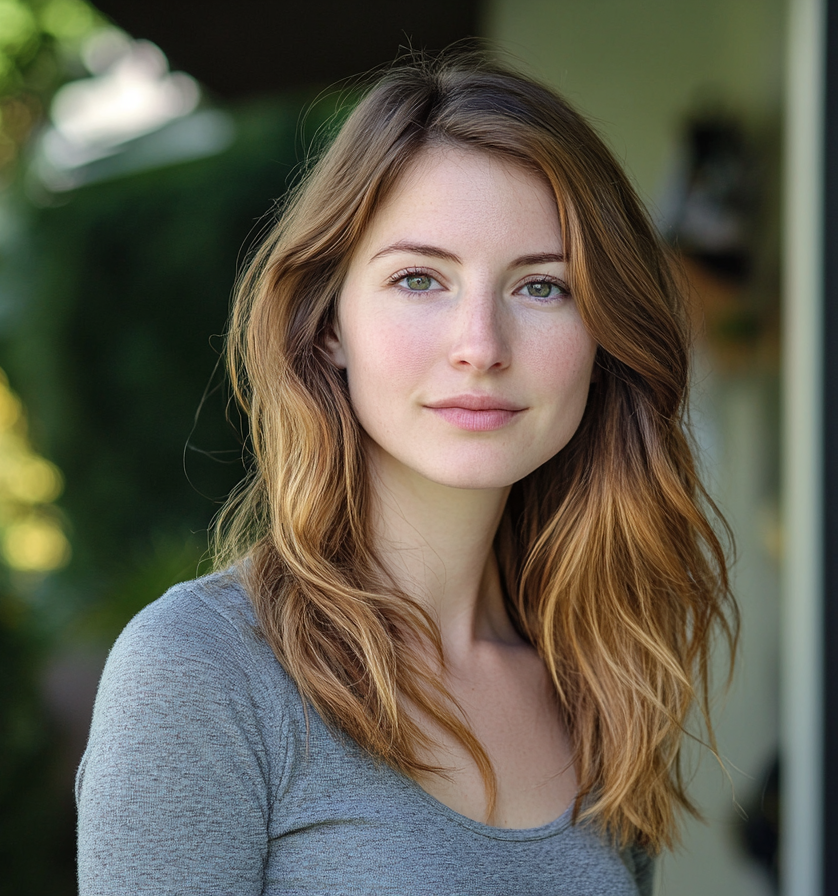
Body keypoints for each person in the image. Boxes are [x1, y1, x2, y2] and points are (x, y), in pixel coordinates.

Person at [76, 54, 737, 896]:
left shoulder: (603, 671)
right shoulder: (203, 674)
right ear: (327, 327)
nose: (480, 345)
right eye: (419, 279)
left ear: (604, 338)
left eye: (542, 287)